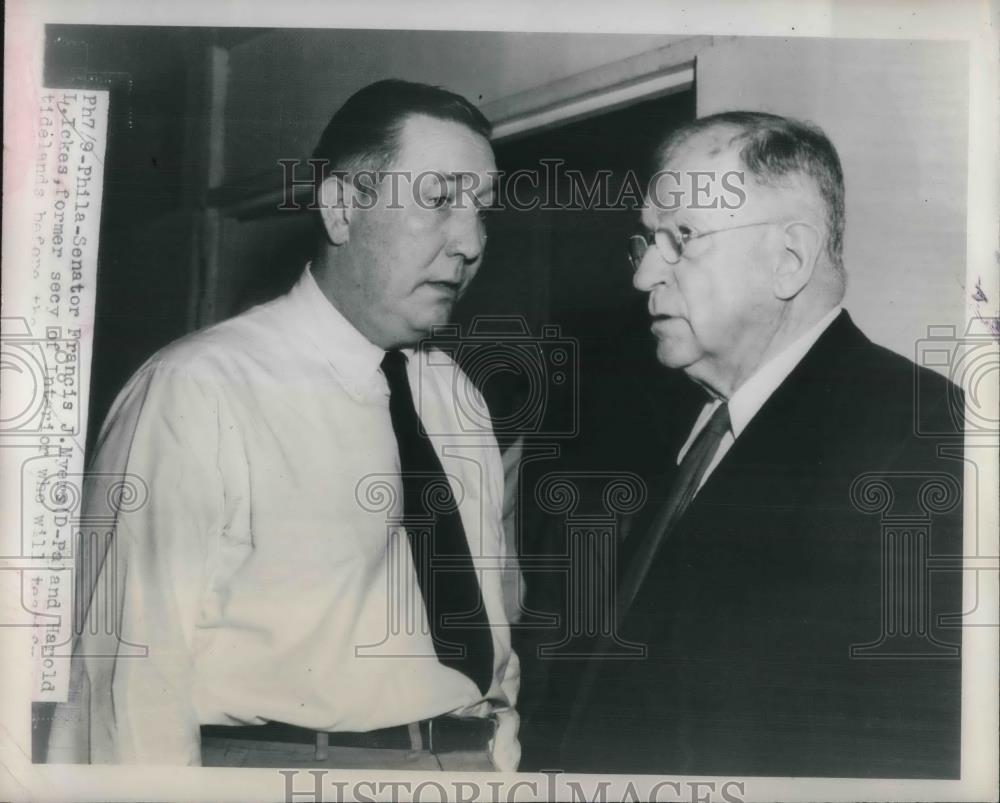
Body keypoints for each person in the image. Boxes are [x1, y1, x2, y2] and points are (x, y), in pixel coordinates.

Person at [47, 79, 520, 771]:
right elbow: (128, 680)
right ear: (340, 207)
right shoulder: (197, 388)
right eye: (439, 199)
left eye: (481, 208)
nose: (471, 241)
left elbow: (495, 648)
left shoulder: (456, 397)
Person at [558, 112, 964, 777]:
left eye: (683, 238)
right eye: (647, 242)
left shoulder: (924, 436)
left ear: (789, 260)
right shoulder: (679, 430)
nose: (642, 277)